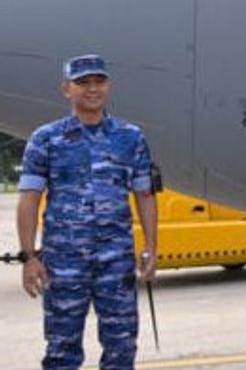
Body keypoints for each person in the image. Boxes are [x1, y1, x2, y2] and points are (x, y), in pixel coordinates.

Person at [16, 54, 158, 370]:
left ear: (108, 86)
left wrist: (151, 246)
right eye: (82, 83)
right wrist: (29, 257)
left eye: (99, 81)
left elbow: (145, 195)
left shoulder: (131, 137)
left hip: (116, 261)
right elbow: (29, 199)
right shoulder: (46, 139)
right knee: (61, 353)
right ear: (66, 89)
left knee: (121, 349)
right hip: (64, 263)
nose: (92, 89)